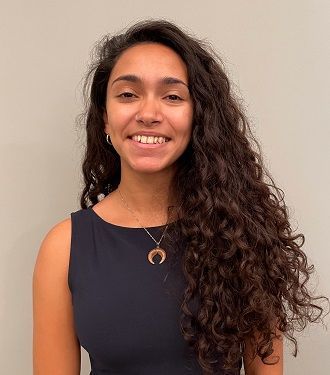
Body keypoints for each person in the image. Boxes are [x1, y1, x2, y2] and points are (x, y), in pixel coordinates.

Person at [32, 19, 328, 375]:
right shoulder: (63, 247)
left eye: (172, 96)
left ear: (198, 116)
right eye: (128, 94)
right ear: (105, 120)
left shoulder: (243, 234)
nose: (148, 114)